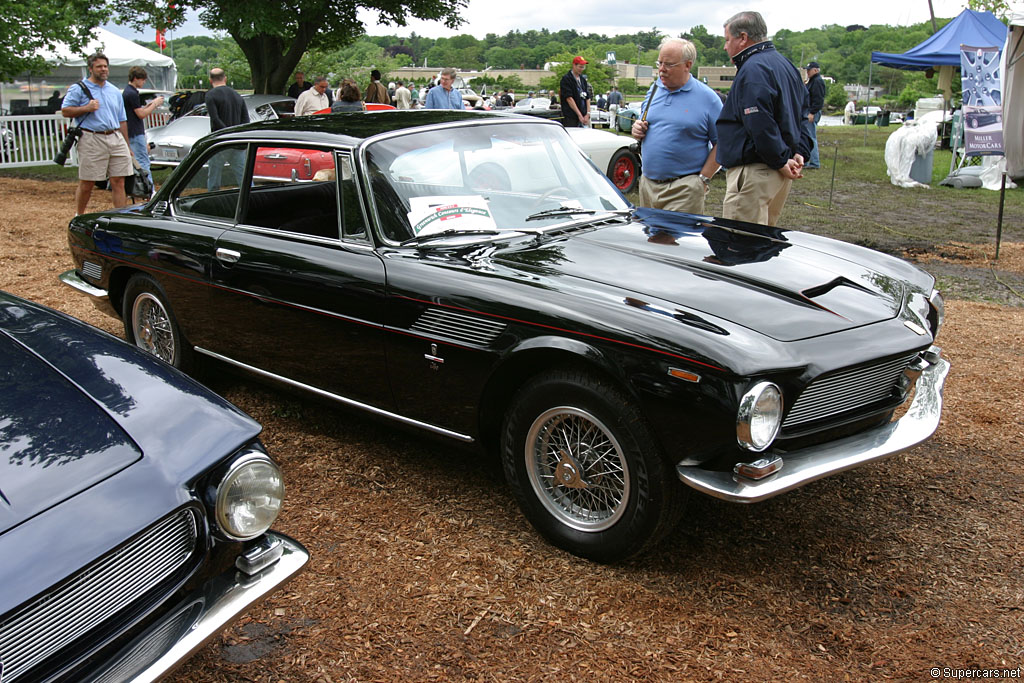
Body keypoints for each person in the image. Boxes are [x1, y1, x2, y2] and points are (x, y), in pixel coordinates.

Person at [716, 11, 811, 227]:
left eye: (727, 40)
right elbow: (803, 115)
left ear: (742, 37)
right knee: (763, 242)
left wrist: (779, 159)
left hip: (756, 170)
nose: (725, 47)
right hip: (779, 169)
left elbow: (759, 121)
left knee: (741, 241)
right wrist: (799, 152)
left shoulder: (753, 69)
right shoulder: (786, 66)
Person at [630, 38, 723, 215]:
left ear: (687, 65)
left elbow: (724, 142)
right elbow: (646, 124)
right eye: (660, 63)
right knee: (650, 241)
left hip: (684, 190)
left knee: (677, 242)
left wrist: (702, 180)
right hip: (648, 185)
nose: (661, 70)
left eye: (669, 65)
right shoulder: (654, 90)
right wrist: (637, 129)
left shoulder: (708, 98)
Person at [61, 53, 133, 214]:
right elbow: (65, 111)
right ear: (91, 69)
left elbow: (122, 120)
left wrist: (127, 145)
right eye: (99, 66)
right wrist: (86, 108)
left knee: (119, 181)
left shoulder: (114, 91)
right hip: (91, 137)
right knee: (87, 182)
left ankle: (120, 218)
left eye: (106, 66)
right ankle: (79, 215)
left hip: (115, 137)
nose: (103, 69)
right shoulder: (79, 89)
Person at [123, 66, 164, 197]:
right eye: (142, 80)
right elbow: (141, 114)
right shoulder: (131, 93)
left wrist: (149, 104)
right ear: (136, 78)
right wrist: (155, 104)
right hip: (135, 132)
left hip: (132, 131)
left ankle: (141, 188)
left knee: (137, 161)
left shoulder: (128, 92)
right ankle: (149, 189)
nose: (144, 82)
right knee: (143, 161)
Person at [205, 68, 249, 189]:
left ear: (210, 80)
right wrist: (238, 136)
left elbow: (215, 119)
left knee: (214, 175)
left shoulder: (210, 96)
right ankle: (251, 199)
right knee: (243, 176)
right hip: (237, 141)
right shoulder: (238, 96)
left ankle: (213, 200)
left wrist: (226, 133)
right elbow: (246, 120)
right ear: (225, 78)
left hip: (220, 141)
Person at [804, 61, 826, 169]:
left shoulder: (817, 81)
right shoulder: (812, 81)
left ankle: (814, 163)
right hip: (809, 111)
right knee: (808, 136)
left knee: (811, 137)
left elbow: (818, 99)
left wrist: (812, 113)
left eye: (809, 70)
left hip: (812, 112)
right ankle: (808, 161)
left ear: (816, 70)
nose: (807, 72)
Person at [560, 56, 590, 127]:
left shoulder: (582, 79)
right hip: (571, 116)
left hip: (584, 115)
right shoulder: (566, 79)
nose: (581, 69)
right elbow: (569, 98)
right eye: (580, 67)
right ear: (574, 65)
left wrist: (588, 114)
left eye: (583, 67)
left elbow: (587, 97)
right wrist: (579, 115)